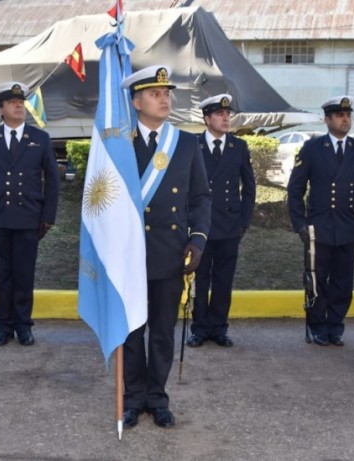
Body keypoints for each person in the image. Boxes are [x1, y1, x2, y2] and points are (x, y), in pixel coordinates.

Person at [119, 65, 211, 429]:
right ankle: (132, 397)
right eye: (155, 94)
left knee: (161, 331)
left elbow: (201, 198)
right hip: (128, 254)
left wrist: (198, 240)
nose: (164, 99)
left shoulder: (186, 143)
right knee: (130, 332)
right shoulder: (119, 144)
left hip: (169, 252)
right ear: (137, 101)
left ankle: (157, 397)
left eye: (167, 93)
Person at [0, 81, 59, 347]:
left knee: (24, 273)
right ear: (1, 109)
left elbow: (52, 180)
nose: (19, 106)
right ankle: (3, 326)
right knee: (2, 274)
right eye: (12, 103)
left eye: (21, 102)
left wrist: (48, 216)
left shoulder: (40, 139)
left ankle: (23, 325)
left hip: (28, 216)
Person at [287, 96, 354, 347]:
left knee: (342, 281)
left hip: (349, 227)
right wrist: (300, 224)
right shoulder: (313, 149)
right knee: (317, 279)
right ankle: (316, 325)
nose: (345, 119)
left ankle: (335, 326)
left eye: (348, 115)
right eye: (339, 115)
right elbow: (295, 189)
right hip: (319, 227)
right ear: (327, 120)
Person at [186, 93, 255, 348]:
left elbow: (249, 188)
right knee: (200, 280)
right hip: (201, 227)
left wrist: (244, 221)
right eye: (219, 114)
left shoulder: (239, 147)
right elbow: (185, 187)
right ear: (207, 118)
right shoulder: (193, 145)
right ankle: (199, 329)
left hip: (229, 225)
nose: (226, 118)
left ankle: (219, 328)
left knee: (224, 281)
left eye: (227, 114)